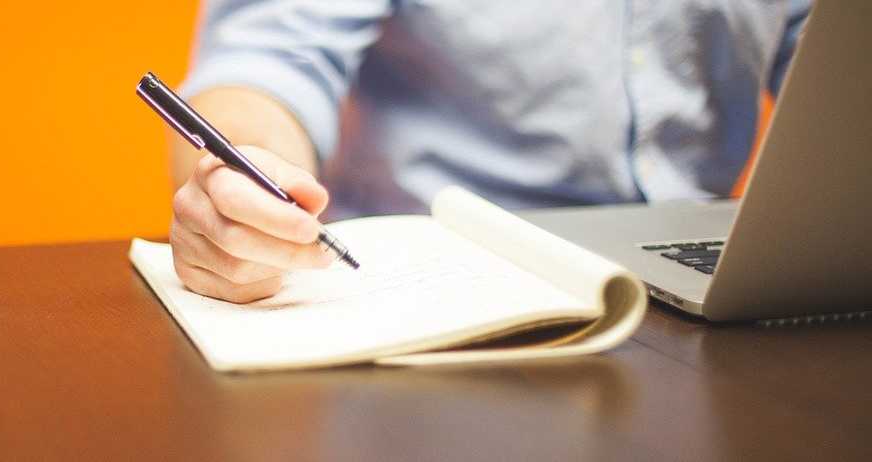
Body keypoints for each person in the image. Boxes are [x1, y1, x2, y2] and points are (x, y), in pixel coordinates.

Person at [166, 1, 811, 303]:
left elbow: (834, 62)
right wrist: (248, 180)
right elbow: (270, 60)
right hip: (440, 296)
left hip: (729, 293)